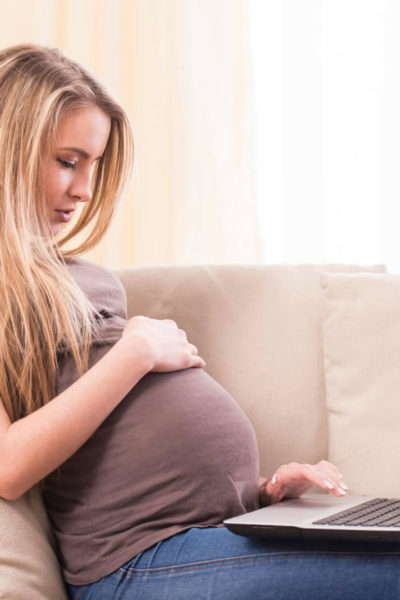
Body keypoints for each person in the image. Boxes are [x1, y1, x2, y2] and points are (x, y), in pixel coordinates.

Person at [0, 43, 399, 600]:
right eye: (68, 161)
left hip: (210, 538)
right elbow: (8, 465)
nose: (84, 191)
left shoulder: (71, 274)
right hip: (139, 565)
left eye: (92, 166)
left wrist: (263, 495)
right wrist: (135, 351)